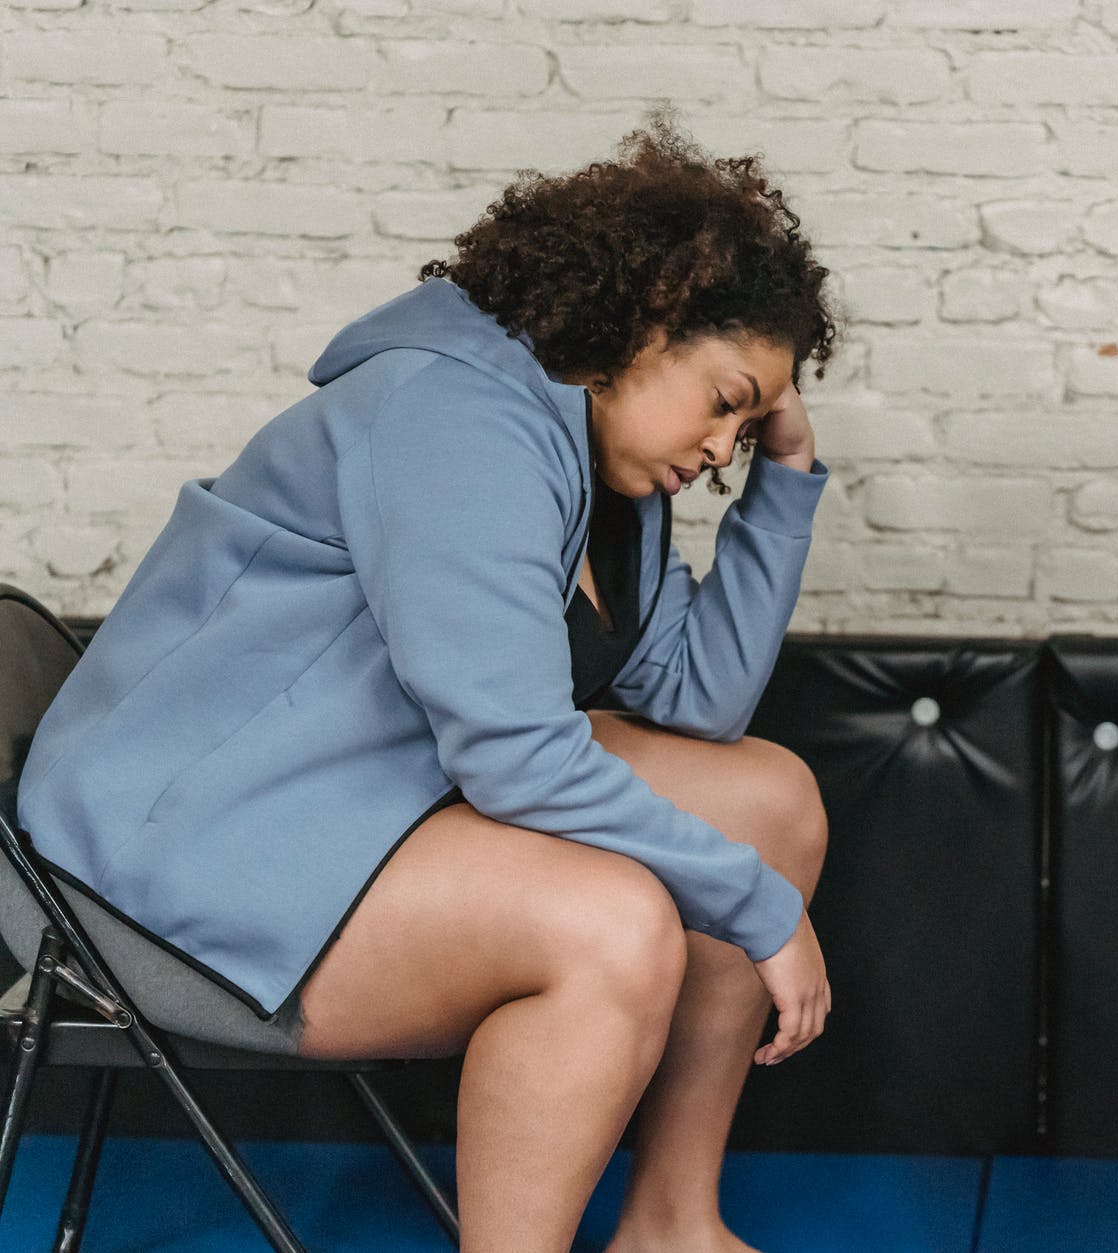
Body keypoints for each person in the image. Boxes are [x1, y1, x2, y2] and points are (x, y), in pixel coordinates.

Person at [9, 123, 838, 1253]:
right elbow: (511, 756)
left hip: (354, 802)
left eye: (746, 427)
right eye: (724, 401)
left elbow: (697, 703)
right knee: (610, 924)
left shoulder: (607, 472)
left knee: (768, 799)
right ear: (645, 320)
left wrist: (783, 483)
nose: (723, 446)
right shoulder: (458, 417)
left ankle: (670, 1225)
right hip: (160, 863)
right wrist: (757, 906)